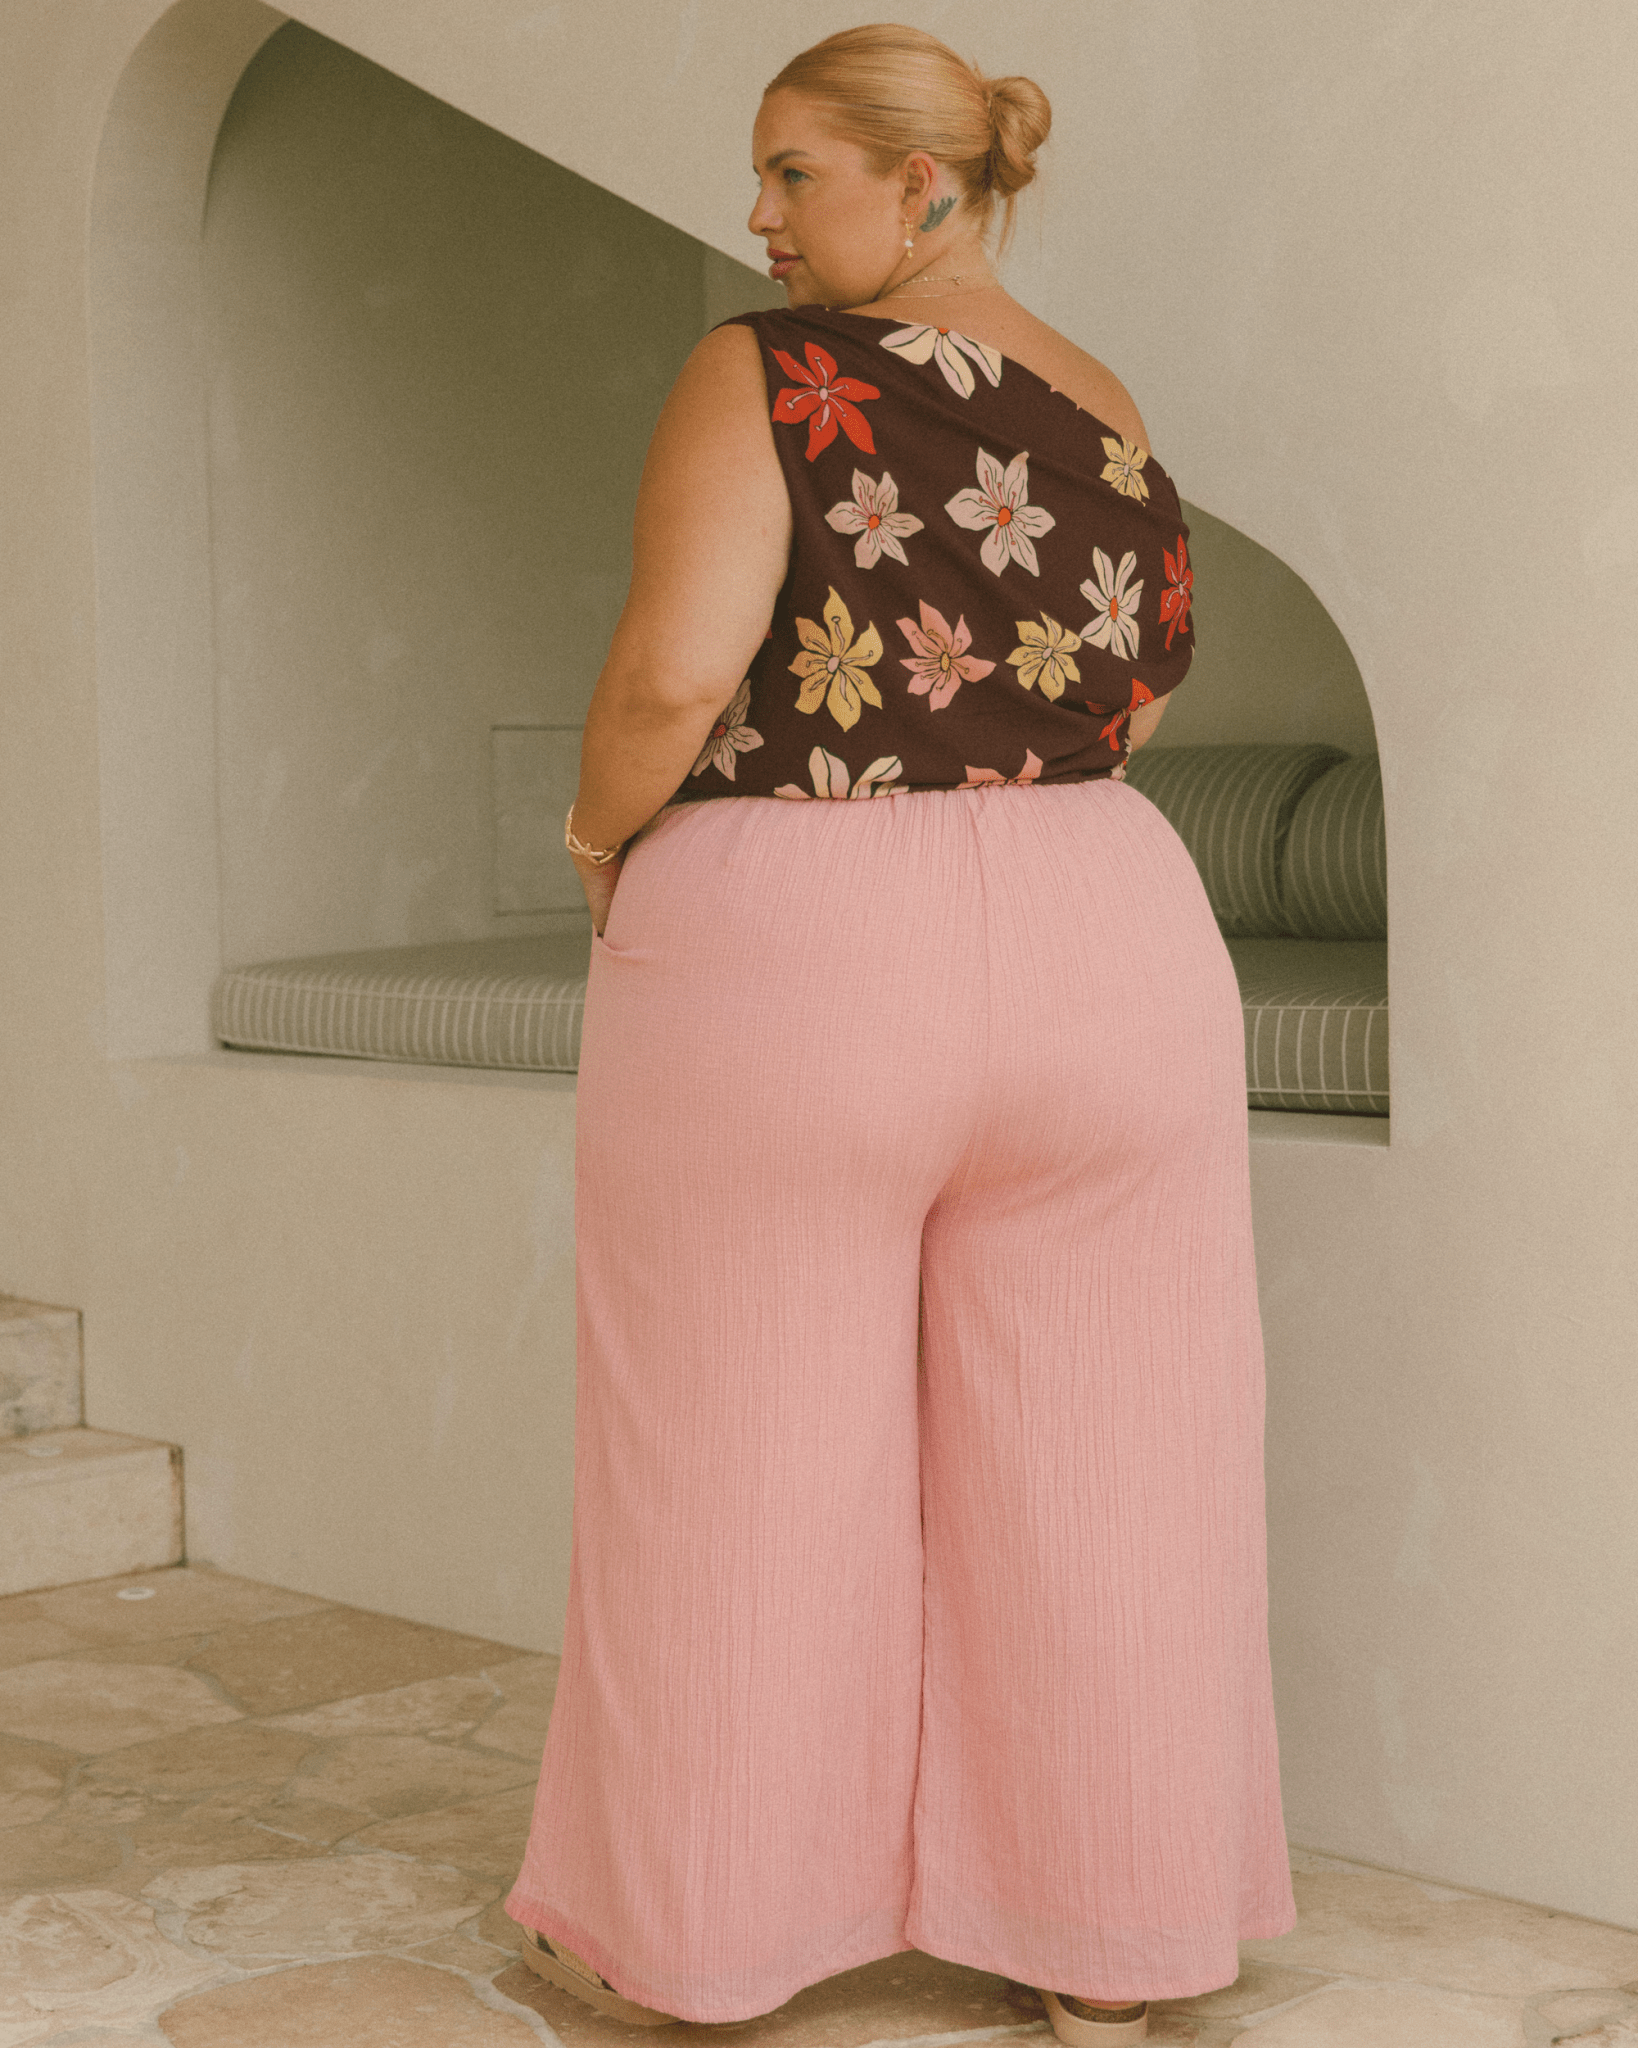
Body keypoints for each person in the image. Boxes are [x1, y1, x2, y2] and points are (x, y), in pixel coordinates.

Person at [504, 25, 1297, 2045]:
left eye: (795, 172)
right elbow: (1134, 695)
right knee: (1115, 1461)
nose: (759, 214)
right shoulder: (1101, 401)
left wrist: (595, 842)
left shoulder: (768, 376)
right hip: (1110, 926)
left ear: (922, 186)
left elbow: (675, 670)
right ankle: (1111, 1946)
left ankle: (704, 1942)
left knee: (734, 1443)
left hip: (799, 932)